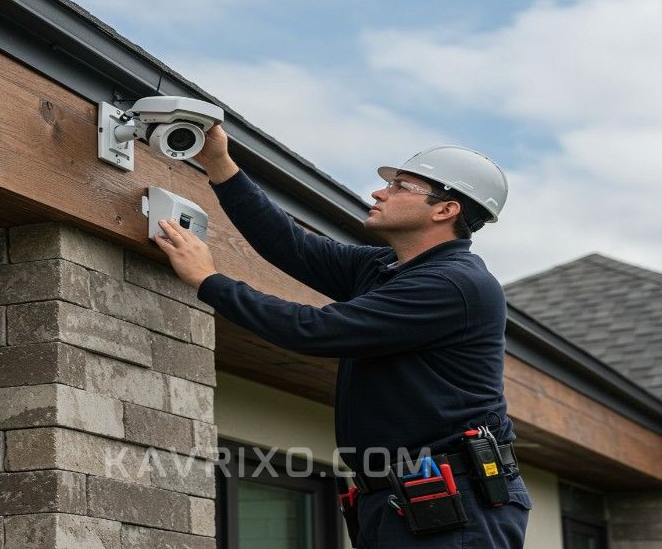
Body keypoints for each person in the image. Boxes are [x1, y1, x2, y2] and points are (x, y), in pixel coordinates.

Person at [153, 124, 532, 548]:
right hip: (401, 499)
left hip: (452, 504)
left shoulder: (454, 284)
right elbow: (292, 246)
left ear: (445, 209)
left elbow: (315, 330)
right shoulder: (386, 268)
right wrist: (219, 164)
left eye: (400, 186)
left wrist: (208, 280)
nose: (379, 193)